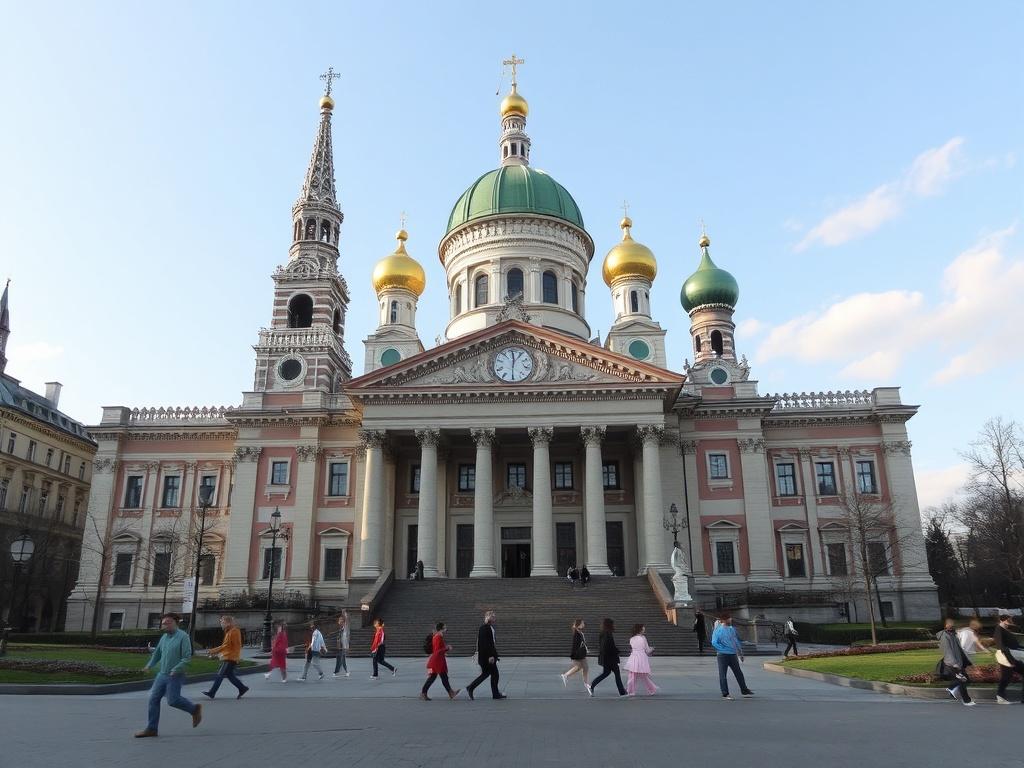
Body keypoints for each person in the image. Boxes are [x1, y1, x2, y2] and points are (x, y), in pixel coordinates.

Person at [134, 613, 202, 737]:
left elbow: (187, 658)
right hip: (162, 674)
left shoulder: (183, 637)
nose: (165, 625)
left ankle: (194, 709)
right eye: (164, 623)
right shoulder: (164, 637)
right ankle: (152, 728)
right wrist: (149, 665)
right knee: (153, 699)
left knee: (173, 701)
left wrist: (176, 669)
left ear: (176, 623)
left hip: (175, 675)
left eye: (168, 622)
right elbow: (157, 654)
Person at [202, 615, 249, 700]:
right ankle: (242, 688)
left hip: (230, 657)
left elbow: (227, 646)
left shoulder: (233, 631)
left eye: (222, 622)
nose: (221, 624)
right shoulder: (230, 631)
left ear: (228, 623)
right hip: (230, 657)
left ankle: (212, 692)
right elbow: (227, 646)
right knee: (230, 675)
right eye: (221, 622)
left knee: (220, 675)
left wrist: (213, 651)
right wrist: (216, 652)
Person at [712, 613, 754, 700]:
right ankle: (725, 693)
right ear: (724, 620)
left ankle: (744, 690)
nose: (731, 620)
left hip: (732, 654)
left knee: (738, 673)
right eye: (729, 618)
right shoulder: (718, 630)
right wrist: (722, 649)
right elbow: (714, 642)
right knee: (723, 674)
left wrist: (740, 653)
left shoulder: (732, 629)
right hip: (722, 655)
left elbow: (736, 641)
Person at [466, 610, 506, 700]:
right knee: (494, 674)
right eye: (492, 616)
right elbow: (485, 644)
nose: (494, 618)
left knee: (486, 674)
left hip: (486, 656)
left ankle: (471, 688)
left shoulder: (488, 627)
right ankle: (495, 694)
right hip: (487, 657)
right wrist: (491, 656)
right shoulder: (485, 628)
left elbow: (491, 643)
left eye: (494, 616)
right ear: (487, 617)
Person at [937, 618, 975, 706]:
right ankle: (966, 701)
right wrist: (954, 663)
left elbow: (959, 649)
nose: (951, 625)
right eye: (949, 624)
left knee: (966, 679)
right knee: (962, 680)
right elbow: (948, 651)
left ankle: (951, 688)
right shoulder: (945, 636)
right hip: (952, 663)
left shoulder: (953, 634)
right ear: (945, 625)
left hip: (958, 661)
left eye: (952, 624)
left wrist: (967, 661)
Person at [421, 622, 460, 700]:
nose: (446, 628)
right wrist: (447, 648)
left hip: (437, 660)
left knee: (441, 677)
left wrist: (444, 650)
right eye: (445, 627)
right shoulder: (438, 637)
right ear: (441, 628)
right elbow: (438, 650)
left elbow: (436, 649)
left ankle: (450, 693)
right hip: (437, 662)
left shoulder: (436, 636)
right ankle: (424, 693)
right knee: (434, 677)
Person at [590, 617, 627, 697]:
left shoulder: (602, 633)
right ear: (610, 625)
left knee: (606, 673)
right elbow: (609, 646)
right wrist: (617, 651)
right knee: (617, 674)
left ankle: (592, 685)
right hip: (610, 658)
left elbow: (603, 646)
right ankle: (622, 692)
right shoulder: (608, 634)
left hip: (605, 658)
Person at [993, 614, 1024, 704]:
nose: (1010, 621)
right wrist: (1010, 660)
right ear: (1002, 620)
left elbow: (1013, 645)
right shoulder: (999, 629)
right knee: (1006, 677)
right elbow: (1001, 646)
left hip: (1011, 656)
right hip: (1005, 657)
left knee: (1007, 676)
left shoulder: (1005, 629)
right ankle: (1000, 696)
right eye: (1008, 620)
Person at [622, 623, 658, 696]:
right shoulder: (643, 638)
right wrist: (652, 649)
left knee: (632, 675)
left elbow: (633, 649)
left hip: (634, 657)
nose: (644, 630)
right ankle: (652, 690)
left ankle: (630, 691)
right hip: (641, 657)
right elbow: (647, 650)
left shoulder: (631, 639)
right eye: (643, 629)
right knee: (644, 676)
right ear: (640, 630)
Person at [559, 618, 592, 695]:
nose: (584, 624)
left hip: (581, 653)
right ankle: (565, 675)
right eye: (582, 623)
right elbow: (575, 645)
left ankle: (586, 684)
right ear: (579, 624)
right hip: (578, 654)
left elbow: (582, 643)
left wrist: (586, 649)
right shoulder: (576, 633)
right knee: (579, 667)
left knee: (585, 667)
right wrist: (573, 655)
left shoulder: (579, 632)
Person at [333, 610, 351, 678]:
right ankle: (337, 671)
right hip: (339, 647)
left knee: (342, 659)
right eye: (339, 620)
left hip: (343, 646)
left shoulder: (345, 628)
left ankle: (346, 671)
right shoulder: (340, 629)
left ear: (343, 622)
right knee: (338, 658)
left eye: (340, 620)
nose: (339, 621)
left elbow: (347, 621)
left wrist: (344, 614)